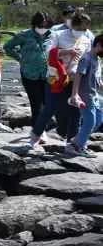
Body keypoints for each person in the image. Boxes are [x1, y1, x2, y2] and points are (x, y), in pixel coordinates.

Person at [30, 12, 93, 147]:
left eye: (84, 28)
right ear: (73, 25)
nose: (82, 31)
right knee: (50, 108)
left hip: (73, 79)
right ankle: (35, 135)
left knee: (75, 111)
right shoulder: (58, 34)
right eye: (79, 28)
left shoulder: (86, 40)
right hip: (55, 77)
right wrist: (67, 51)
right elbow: (48, 52)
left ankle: (71, 143)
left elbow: (86, 60)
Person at [3, 12, 52, 130]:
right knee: (36, 104)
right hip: (29, 74)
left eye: (46, 25)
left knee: (47, 103)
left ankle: (44, 128)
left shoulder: (52, 35)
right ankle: (38, 131)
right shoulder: (24, 35)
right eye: (41, 25)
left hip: (47, 74)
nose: (43, 28)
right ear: (35, 24)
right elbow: (7, 47)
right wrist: (20, 58)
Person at [69, 34, 103, 157]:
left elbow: (98, 81)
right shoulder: (86, 58)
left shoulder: (97, 60)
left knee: (98, 120)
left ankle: (75, 142)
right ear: (98, 45)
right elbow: (78, 76)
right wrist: (75, 95)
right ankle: (78, 146)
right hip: (85, 96)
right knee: (90, 122)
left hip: (94, 96)